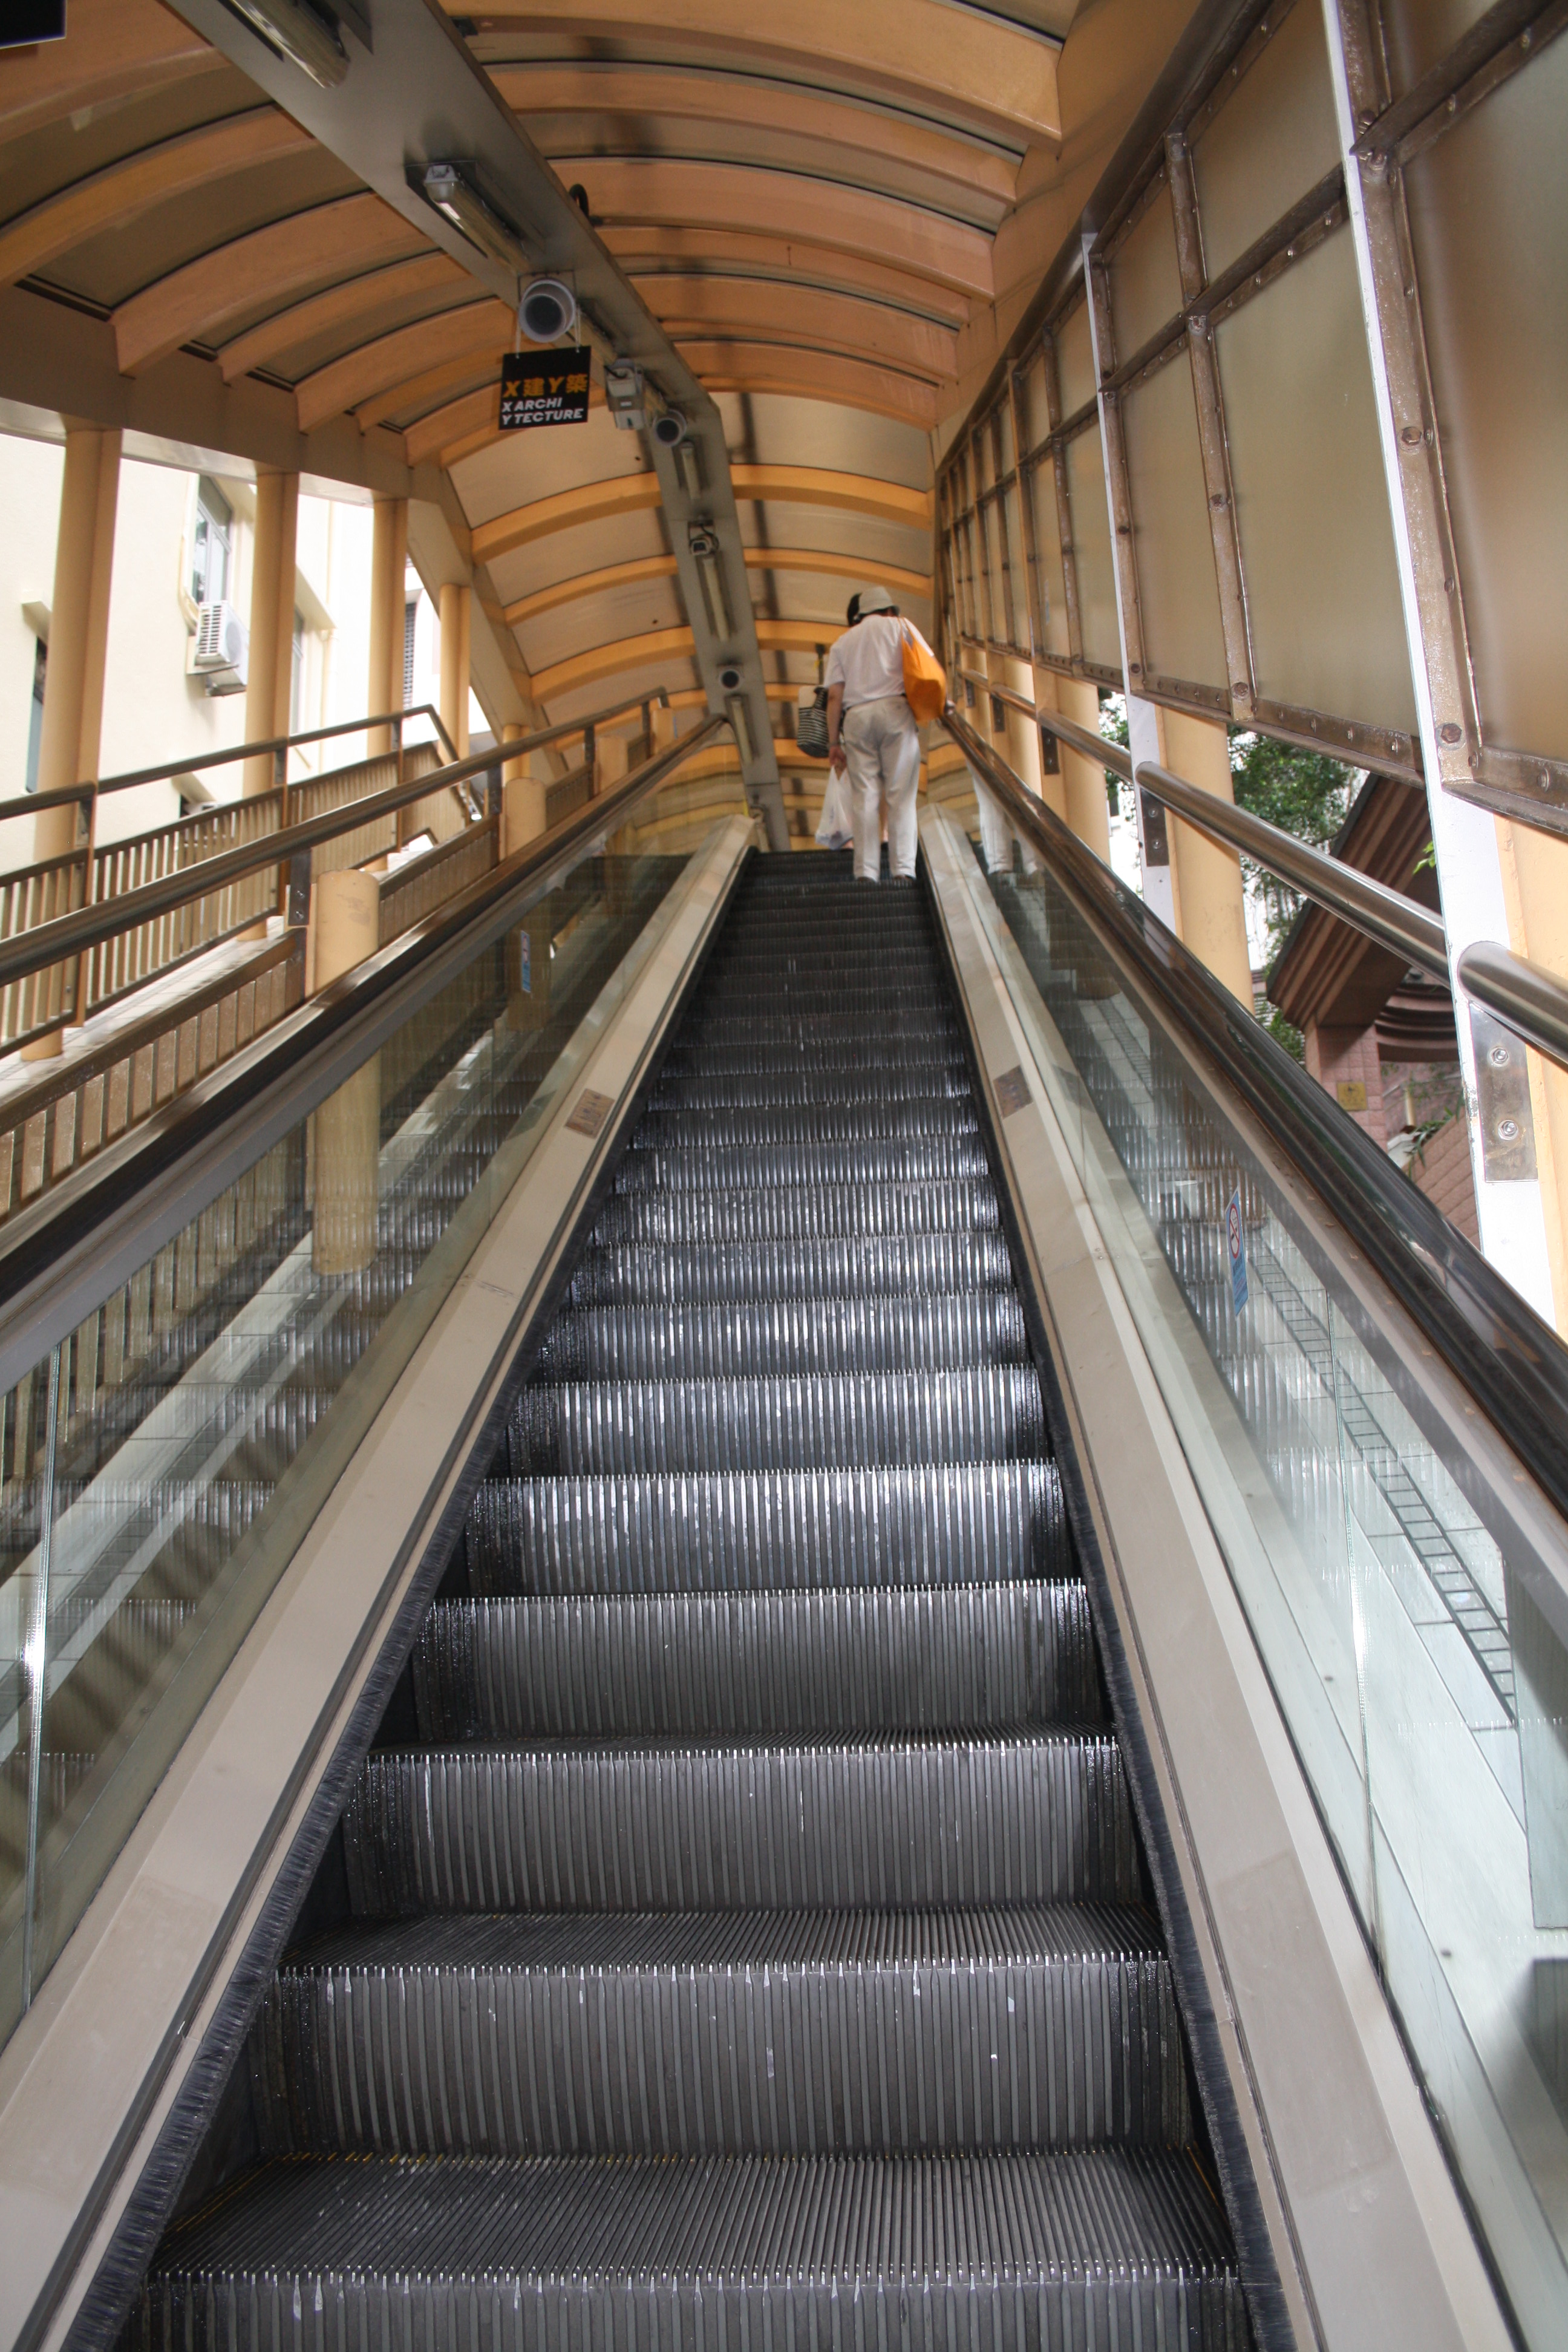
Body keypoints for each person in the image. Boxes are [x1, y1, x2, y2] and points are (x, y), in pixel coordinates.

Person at [825, 586, 936, 883]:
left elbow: (834, 696)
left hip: (857, 718)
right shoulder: (900, 627)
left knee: (865, 797)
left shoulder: (842, 643)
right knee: (901, 795)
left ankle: (866, 872)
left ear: (861, 615)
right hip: (895, 712)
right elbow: (928, 666)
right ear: (888, 610)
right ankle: (903, 870)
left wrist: (833, 742)